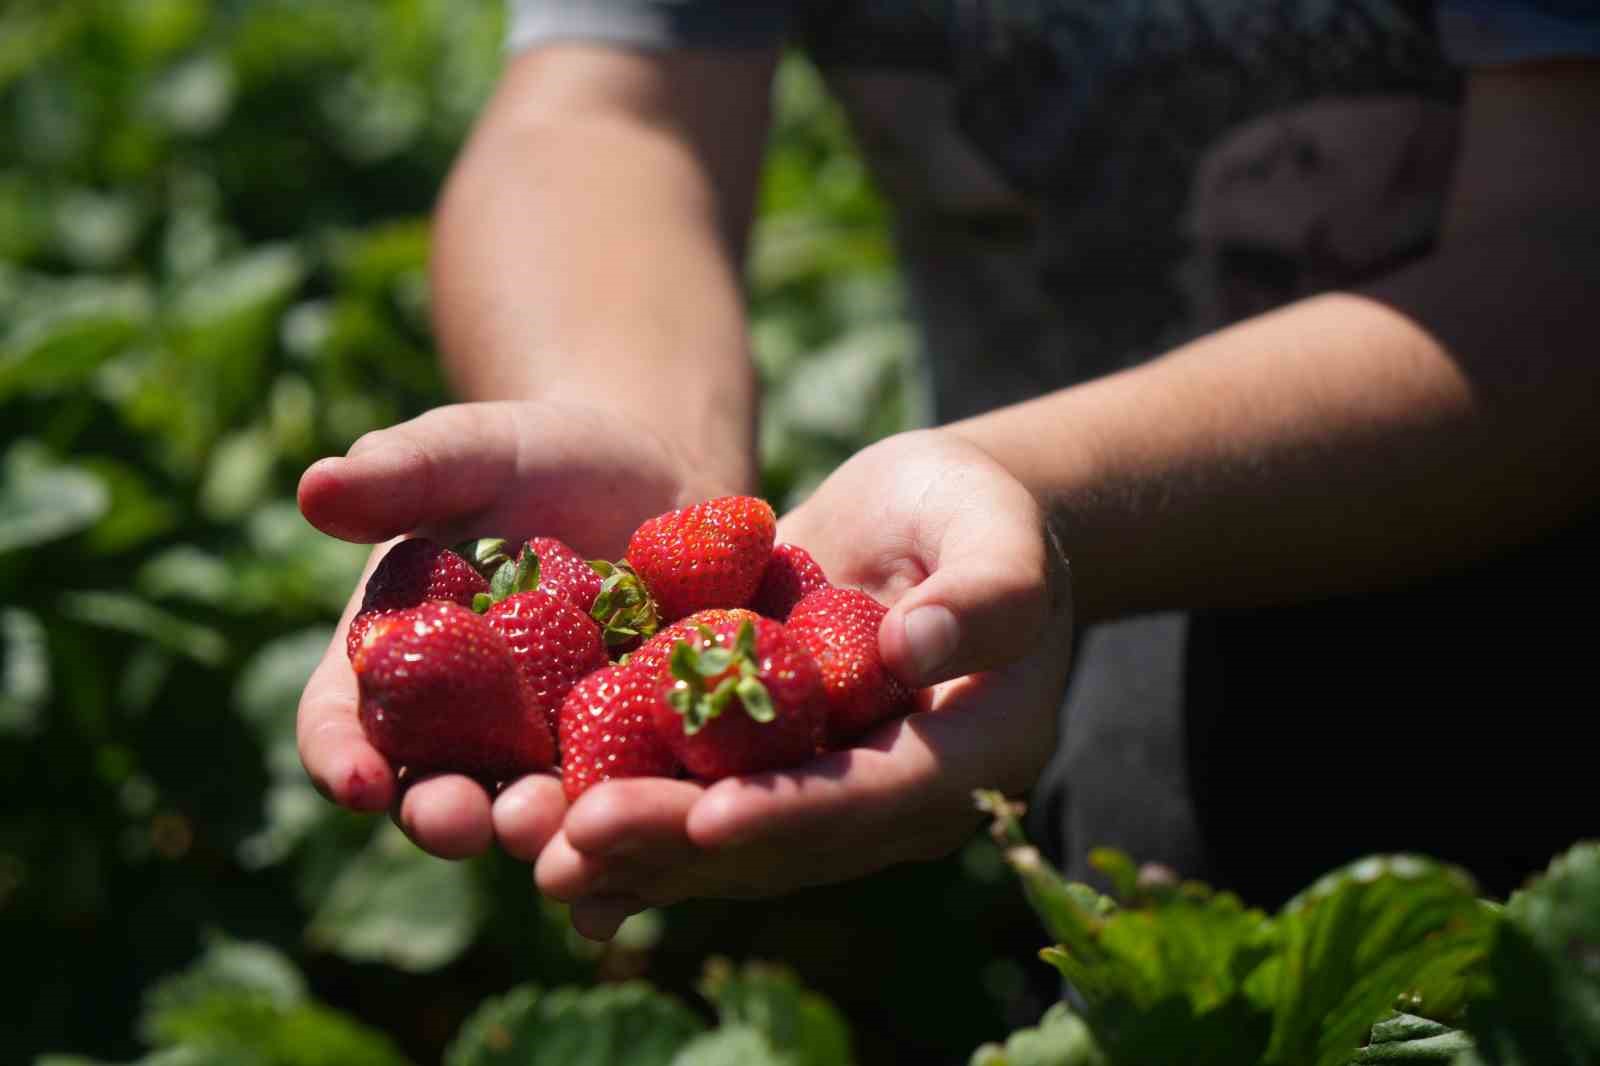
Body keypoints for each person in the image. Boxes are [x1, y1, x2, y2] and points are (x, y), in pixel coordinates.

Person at [296, 1, 1600, 941]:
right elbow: (608, 110)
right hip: (999, 524)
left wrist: (1034, 488)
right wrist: (630, 436)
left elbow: (1569, 260)